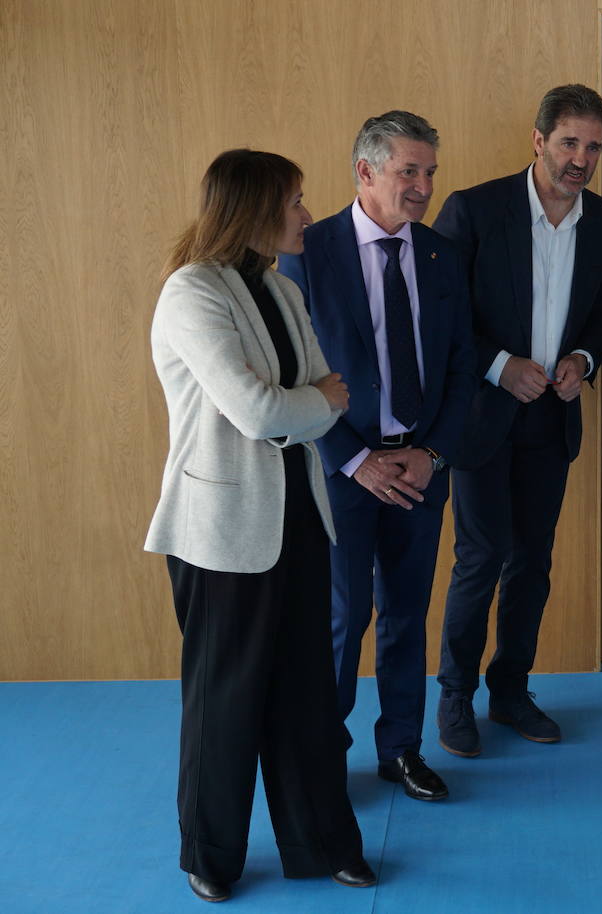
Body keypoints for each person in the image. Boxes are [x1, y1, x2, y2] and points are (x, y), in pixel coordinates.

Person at [145, 149, 374, 901]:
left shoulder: (281, 288)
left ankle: (323, 842)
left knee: (307, 695)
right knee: (226, 699)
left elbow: (306, 394)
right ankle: (209, 855)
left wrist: (301, 406)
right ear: (253, 208)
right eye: (296, 201)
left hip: (301, 519)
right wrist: (309, 406)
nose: (308, 213)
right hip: (220, 529)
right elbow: (269, 408)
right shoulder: (191, 292)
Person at [277, 111, 476, 801]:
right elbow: (291, 373)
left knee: (404, 615)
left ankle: (400, 750)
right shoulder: (308, 251)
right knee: (341, 615)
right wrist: (353, 459)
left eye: (429, 173)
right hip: (342, 471)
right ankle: (323, 756)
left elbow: (461, 365)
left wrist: (433, 453)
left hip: (419, 468)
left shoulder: (441, 253)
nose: (422, 187)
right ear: (365, 172)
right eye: (408, 172)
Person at [431, 84, 602, 756]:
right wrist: (499, 365)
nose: (581, 158)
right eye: (569, 142)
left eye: (593, 146)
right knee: (479, 559)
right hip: (483, 418)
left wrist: (583, 359)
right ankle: (455, 698)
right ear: (538, 141)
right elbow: (440, 317)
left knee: (532, 564)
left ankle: (510, 691)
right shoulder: (475, 210)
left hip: (550, 420)